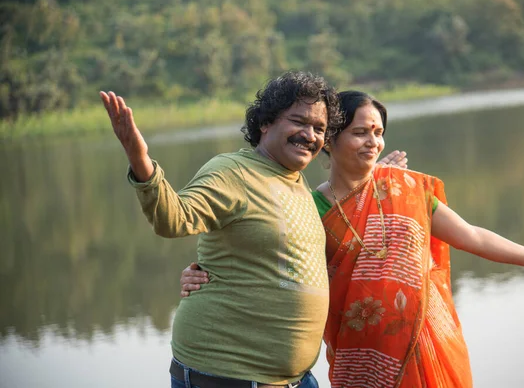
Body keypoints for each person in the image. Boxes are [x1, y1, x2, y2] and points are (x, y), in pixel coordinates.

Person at [181, 90, 524, 388]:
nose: (374, 141)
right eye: (362, 132)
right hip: (359, 357)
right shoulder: (308, 207)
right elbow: (266, 263)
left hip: (426, 344)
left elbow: (473, 237)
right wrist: (202, 275)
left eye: (379, 132)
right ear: (330, 139)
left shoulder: (405, 190)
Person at [100, 71, 346, 388]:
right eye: (299, 121)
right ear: (266, 123)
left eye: (319, 129)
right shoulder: (232, 171)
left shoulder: (295, 180)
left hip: (294, 380)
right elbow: (173, 218)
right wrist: (139, 158)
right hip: (227, 377)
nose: (309, 135)